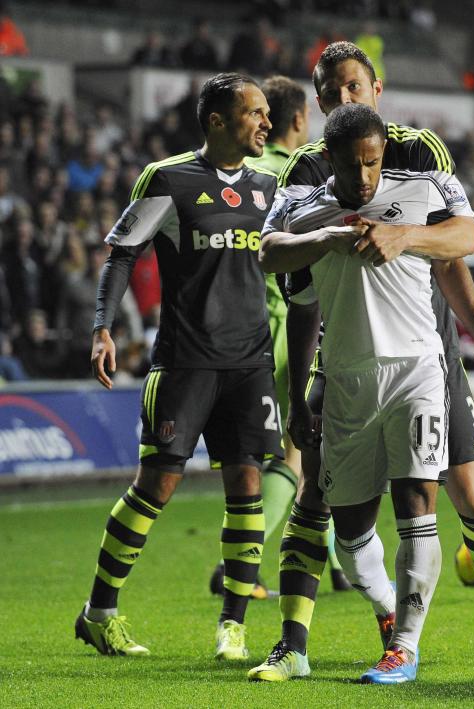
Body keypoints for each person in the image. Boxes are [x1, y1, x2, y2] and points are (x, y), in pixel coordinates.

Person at [249, 41, 474, 679]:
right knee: (326, 509)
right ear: (319, 101)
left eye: (355, 87)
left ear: (376, 90)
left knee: (464, 494)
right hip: (342, 351)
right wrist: (300, 390)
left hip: (423, 348)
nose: (344, 99)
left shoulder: (420, 154)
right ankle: (306, 639)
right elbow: (291, 283)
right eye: (332, 91)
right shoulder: (304, 175)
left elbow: (455, 248)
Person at [254, 102, 474, 684]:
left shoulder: (420, 184)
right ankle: (386, 609)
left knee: (416, 506)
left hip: (417, 371)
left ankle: (404, 647)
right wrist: (327, 237)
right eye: (354, 167)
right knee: (351, 531)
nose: (366, 178)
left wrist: (404, 235)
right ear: (330, 158)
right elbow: (268, 256)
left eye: (374, 164)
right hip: (347, 379)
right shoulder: (303, 206)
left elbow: (467, 235)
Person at [76, 73, 282, 661]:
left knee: (247, 487)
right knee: (156, 487)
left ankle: (233, 627)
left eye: (268, 112)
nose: (265, 123)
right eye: (254, 113)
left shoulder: (270, 187)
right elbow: (121, 256)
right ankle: (100, 611)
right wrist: (101, 328)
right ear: (217, 121)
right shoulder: (169, 178)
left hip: (251, 364)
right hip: (186, 362)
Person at [207, 75, 351, 597]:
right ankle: (239, 564)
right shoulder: (298, 174)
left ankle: (333, 560)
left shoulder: (237, 168)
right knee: (300, 449)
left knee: (301, 449)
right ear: (300, 120)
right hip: (289, 325)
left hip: (231, 333)